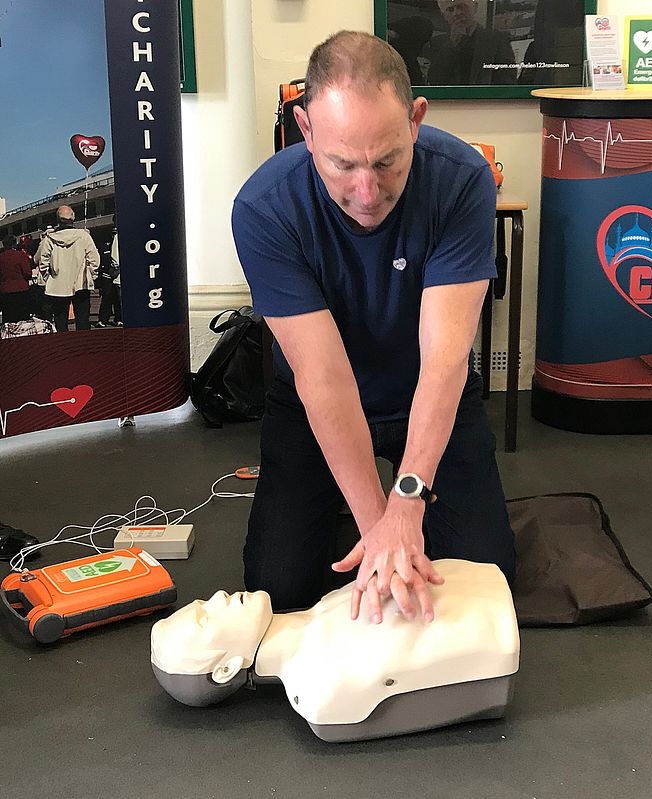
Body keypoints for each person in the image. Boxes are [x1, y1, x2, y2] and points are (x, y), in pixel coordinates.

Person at [232, 31, 515, 624]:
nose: (366, 192)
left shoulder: (462, 179)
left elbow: (444, 361)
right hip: (321, 403)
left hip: (428, 392)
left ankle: (398, 494)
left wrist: (406, 502)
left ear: (416, 121)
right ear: (306, 131)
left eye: (387, 161)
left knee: (489, 581)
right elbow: (323, 379)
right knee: (279, 590)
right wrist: (378, 531)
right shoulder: (265, 207)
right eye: (342, 164)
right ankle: (347, 503)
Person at [151, 559, 519, 740]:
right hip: (494, 626)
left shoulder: (323, 609)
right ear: (226, 669)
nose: (218, 597)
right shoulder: (321, 691)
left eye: (203, 601)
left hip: (486, 593)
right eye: (205, 618)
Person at [35, 205, 99, 332]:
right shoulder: (83, 236)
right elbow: (94, 259)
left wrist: (48, 277)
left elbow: (42, 262)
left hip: (57, 285)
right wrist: (92, 275)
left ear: (58, 219)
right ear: (73, 218)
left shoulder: (49, 239)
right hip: (81, 283)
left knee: (61, 320)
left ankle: (64, 346)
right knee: (82, 318)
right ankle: (84, 345)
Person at [426, 0, 516, 86]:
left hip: (486, 99)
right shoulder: (438, 43)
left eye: (462, 7)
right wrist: (451, 45)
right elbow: (434, 80)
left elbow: (507, 79)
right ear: (444, 16)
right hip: (449, 99)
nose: (457, 13)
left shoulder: (496, 39)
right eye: (450, 9)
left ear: (475, 8)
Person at [0, 234, 33, 323]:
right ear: (15, 244)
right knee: (23, 318)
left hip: (5, 291)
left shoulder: (1, 257)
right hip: (21, 289)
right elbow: (27, 273)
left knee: (8, 319)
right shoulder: (20, 255)